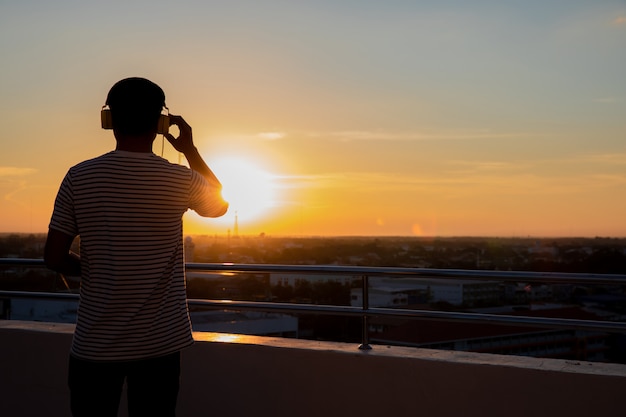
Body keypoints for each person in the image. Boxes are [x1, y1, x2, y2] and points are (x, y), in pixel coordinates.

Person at [44, 77, 229, 417]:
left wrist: (97, 269)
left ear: (109, 120)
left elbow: (53, 257)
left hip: (94, 345)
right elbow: (219, 206)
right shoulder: (179, 179)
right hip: (160, 345)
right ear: (161, 124)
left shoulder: (78, 177)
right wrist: (189, 149)